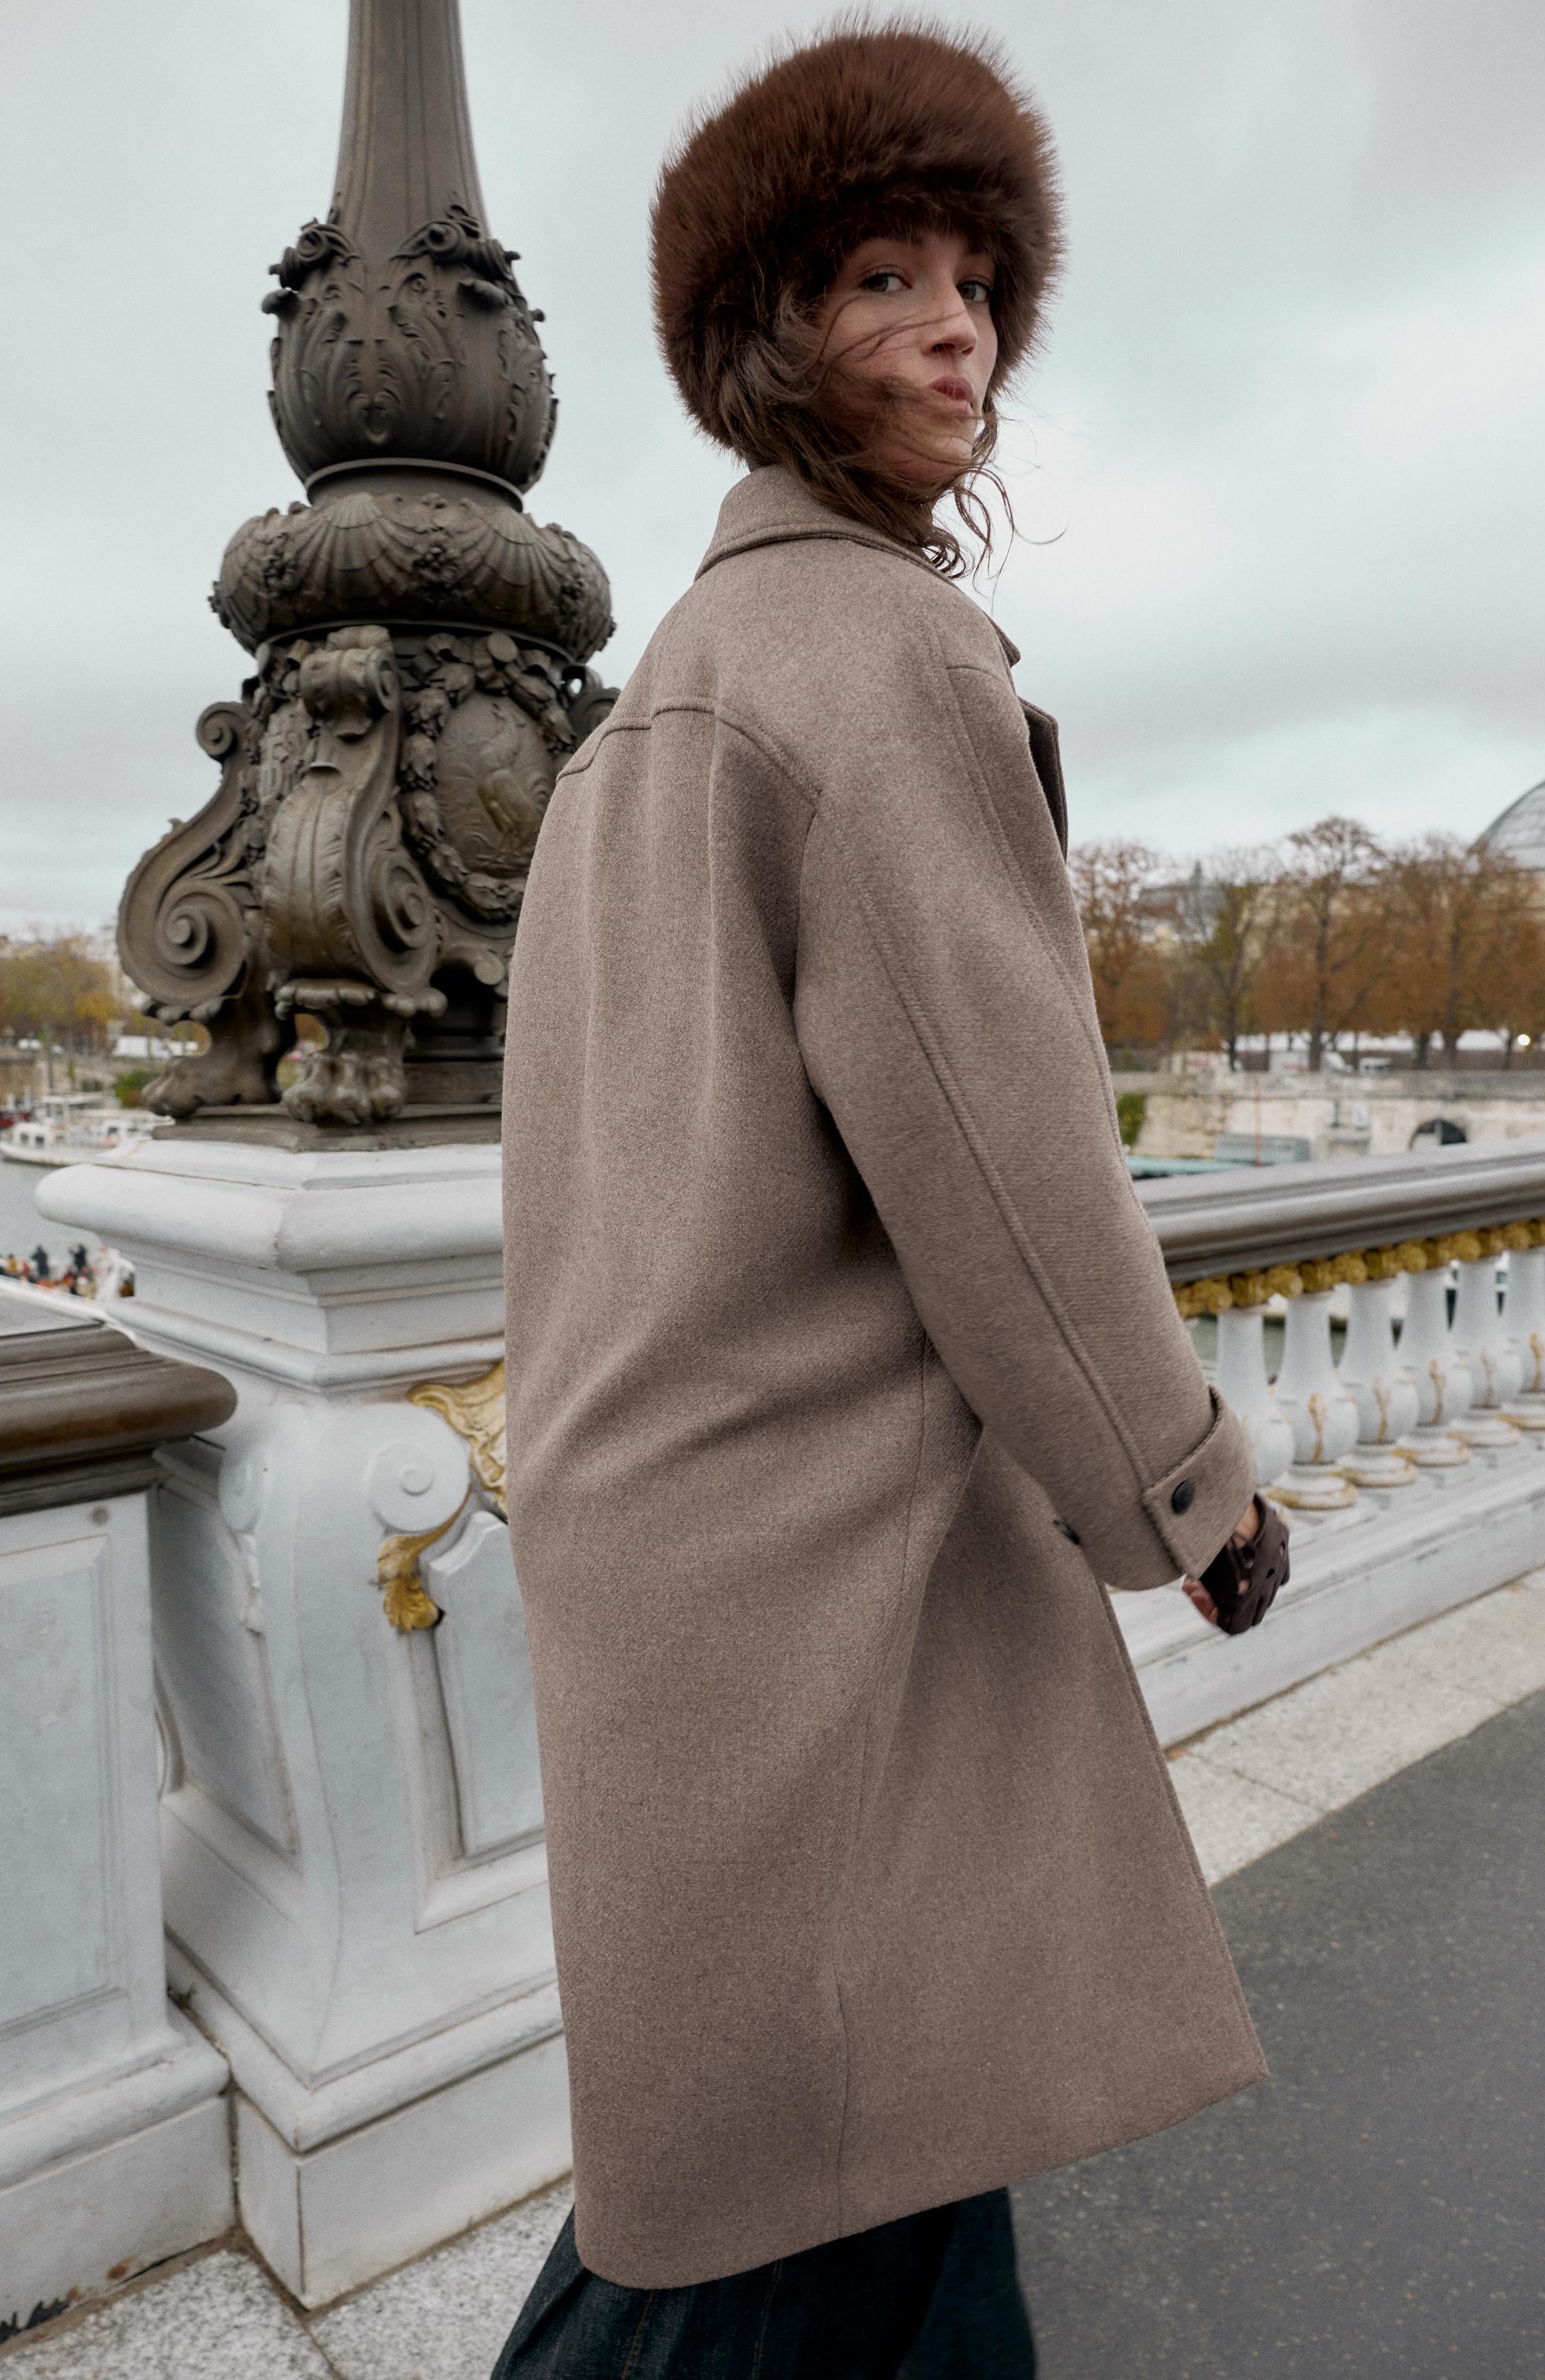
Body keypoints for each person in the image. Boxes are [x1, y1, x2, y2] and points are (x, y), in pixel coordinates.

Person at [497, 23, 1278, 2375]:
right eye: (880, 278)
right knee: (761, 2254)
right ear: (771, 346)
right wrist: (1192, 1490)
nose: (957, 328)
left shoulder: (656, 705)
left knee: (834, 2207)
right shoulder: (880, 658)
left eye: (977, 283)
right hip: (829, 1603)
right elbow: (1016, 1174)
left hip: (673, 1574)